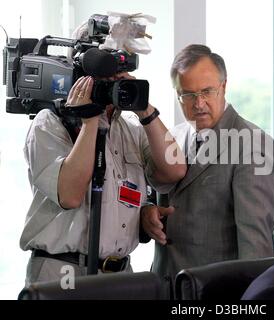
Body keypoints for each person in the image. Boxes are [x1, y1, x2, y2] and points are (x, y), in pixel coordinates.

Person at [19, 23, 187, 286]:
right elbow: (71, 194)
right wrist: (89, 121)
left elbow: (174, 169)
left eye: (119, 71)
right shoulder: (49, 123)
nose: (112, 81)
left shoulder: (131, 129)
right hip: (64, 272)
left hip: (119, 275)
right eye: (106, 72)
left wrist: (144, 110)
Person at [142, 44, 274, 292]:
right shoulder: (172, 136)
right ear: (177, 95)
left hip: (215, 290)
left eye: (207, 91)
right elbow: (152, 196)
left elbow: (255, 246)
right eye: (188, 94)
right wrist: (148, 211)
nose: (199, 103)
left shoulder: (254, 144)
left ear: (224, 87)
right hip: (165, 286)